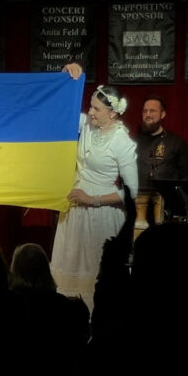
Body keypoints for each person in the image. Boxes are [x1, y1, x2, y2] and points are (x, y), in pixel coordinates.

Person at [49, 64, 138, 314]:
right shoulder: (87, 125)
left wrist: (93, 199)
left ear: (113, 114)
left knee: (94, 279)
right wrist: (67, 72)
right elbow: (60, 110)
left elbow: (130, 192)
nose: (90, 112)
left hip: (100, 215)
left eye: (96, 109)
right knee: (68, 275)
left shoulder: (122, 142)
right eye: (89, 106)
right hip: (75, 211)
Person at [134, 94, 188, 227]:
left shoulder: (176, 142)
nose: (147, 114)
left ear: (163, 114)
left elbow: (186, 177)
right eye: (144, 111)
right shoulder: (132, 142)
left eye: (152, 111)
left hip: (167, 211)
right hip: (139, 209)